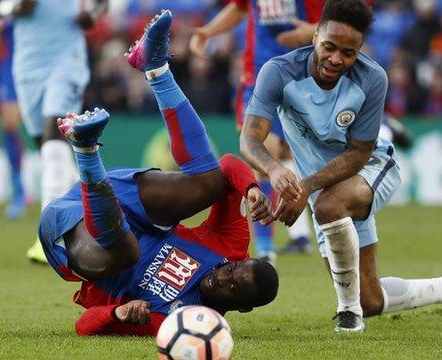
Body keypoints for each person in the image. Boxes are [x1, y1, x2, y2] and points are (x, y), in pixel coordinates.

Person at [240, 0, 442, 332]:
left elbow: (358, 155)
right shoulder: (278, 72)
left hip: (371, 168)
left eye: (348, 53)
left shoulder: (371, 79)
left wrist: (304, 187)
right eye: (329, 47)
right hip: (320, 190)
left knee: (328, 205)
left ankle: (348, 316)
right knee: (371, 301)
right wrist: (277, 171)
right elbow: (250, 139)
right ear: (315, 37)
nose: (337, 58)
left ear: (359, 51)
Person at [38, 10, 279, 336]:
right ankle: (156, 68)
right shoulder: (230, 248)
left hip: (80, 240)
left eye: (232, 288)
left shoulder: (180, 322)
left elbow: (84, 325)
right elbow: (227, 165)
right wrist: (251, 187)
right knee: (209, 183)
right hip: (130, 203)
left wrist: (118, 312)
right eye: (233, 270)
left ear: (241, 308)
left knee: (126, 252)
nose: (222, 277)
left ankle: (87, 152)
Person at [189, 0, 325, 262]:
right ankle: (265, 247)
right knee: (266, 151)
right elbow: (240, 7)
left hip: (302, 73)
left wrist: (312, 31)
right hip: (258, 76)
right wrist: (208, 31)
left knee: (290, 154)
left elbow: (334, 24)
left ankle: (301, 235)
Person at [0, 0, 107, 262]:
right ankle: (91, 216)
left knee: (53, 139)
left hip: (67, 60)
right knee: (48, 150)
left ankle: (49, 238)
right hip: (27, 66)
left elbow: (102, 3)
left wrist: (92, 14)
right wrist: (11, 9)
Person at [0, 16, 26, 220]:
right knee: (9, 125)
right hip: (9, 69)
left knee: (49, 129)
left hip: (36, 65)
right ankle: (18, 190)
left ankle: (65, 183)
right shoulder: (8, 10)